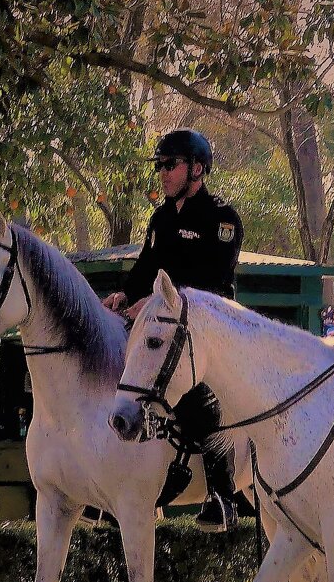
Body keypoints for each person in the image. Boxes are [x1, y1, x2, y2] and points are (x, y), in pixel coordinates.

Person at [102, 128, 246, 532]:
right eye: (160, 166)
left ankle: (222, 494)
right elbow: (146, 268)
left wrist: (161, 300)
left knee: (202, 396)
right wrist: (123, 295)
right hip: (163, 327)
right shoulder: (161, 217)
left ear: (197, 168)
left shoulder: (222, 218)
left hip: (208, 328)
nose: (163, 173)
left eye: (171, 165)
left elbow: (213, 280)